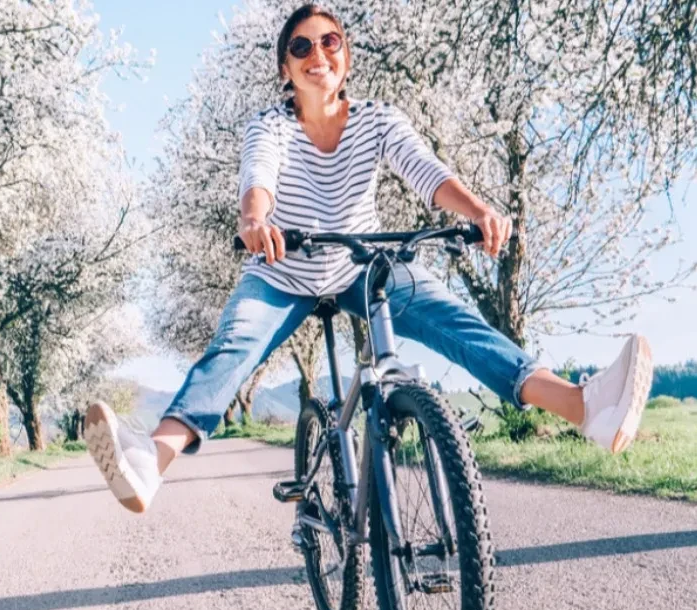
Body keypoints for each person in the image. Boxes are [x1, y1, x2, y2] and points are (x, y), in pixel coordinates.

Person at [84, 4, 653, 514]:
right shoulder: (271, 126)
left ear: (346, 57)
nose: (317, 53)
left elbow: (426, 171)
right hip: (283, 271)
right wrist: (255, 221)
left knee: (455, 321)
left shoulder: (378, 119)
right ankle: (150, 462)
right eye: (301, 46)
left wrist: (478, 210)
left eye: (329, 41)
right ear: (286, 69)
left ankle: (584, 407)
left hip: (360, 265)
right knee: (234, 348)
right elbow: (259, 178)